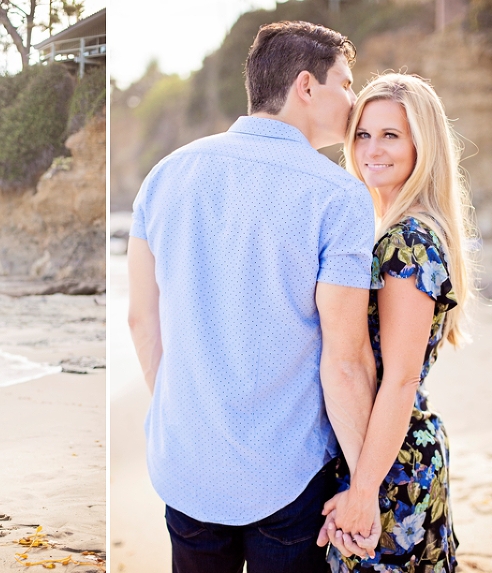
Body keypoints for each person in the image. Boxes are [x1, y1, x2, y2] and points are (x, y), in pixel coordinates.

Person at [127, 21, 380, 571]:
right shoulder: (338, 196)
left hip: (186, 460)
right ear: (307, 87)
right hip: (285, 472)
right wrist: (364, 488)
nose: (353, 99)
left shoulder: (165, 175)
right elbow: (345, 361)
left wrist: (180, 413)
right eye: (346, 81)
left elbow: (141, 319)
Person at [319, 73, 475, 572]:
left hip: (390, 466)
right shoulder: (387, 228)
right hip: (387, 449)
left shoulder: (407, 240)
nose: (372, 149)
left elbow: (402, 378)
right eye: (362, 134)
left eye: (390, 135)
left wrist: (363, 491)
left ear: (421, 144)